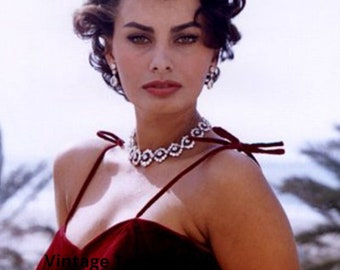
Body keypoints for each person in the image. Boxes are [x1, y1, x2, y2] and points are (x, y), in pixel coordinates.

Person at [37, 0, 300, 269]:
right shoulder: (78, 166)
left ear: (213, 54)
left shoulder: (229, 179)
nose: (161, 62)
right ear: (110, 52)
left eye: (185, 38)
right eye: (139, 38)